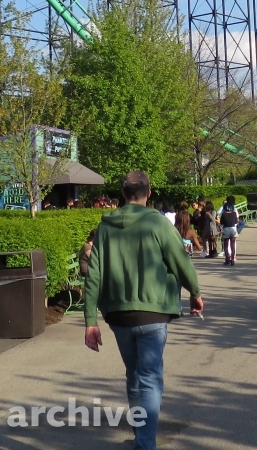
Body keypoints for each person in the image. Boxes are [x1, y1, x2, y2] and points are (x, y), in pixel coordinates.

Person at [84, 171, 203, 450]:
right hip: (153, 313)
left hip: (119, 315)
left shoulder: (105, 228)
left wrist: (90, 320)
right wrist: (195, 293)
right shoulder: (158, 224)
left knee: (134, 376)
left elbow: (94, 276)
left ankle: (142, 438)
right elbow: (180, 262)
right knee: (149, 378)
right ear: (148, 193)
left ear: (122, 194)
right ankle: (145, 443)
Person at [218, 196, 240, 265]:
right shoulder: (234, 212)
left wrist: (221, 228)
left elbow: (221, 223)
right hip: (233, 229)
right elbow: (237, 221)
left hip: (226, 229)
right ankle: (233, 259)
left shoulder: (224, 214)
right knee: (232, 245)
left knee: (226, 245)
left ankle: (227, 259)